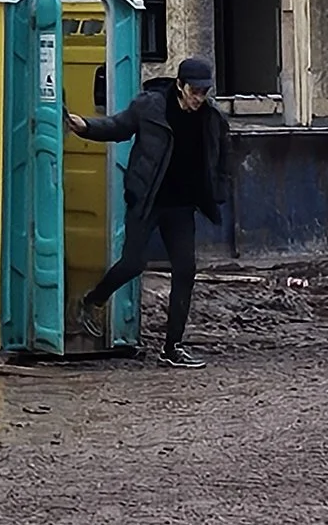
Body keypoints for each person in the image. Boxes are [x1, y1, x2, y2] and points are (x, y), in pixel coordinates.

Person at [66, 52, 229, 366]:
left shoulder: (211, 118)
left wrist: (218, 191)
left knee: (186, 270)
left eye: (204, 91)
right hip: (148, 199)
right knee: (133, 263)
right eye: (194, 91)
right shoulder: (151, 106)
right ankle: (93, 300)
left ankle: (172, 347)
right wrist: (85, 127)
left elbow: (222, 157)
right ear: (180, 85)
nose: (199, 98)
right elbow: (118, 127)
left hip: (182, 206)